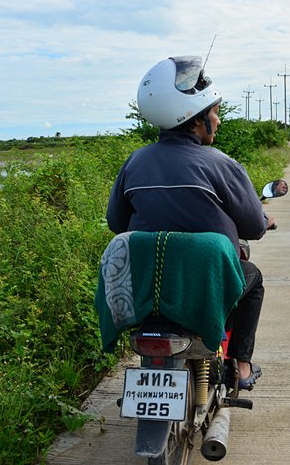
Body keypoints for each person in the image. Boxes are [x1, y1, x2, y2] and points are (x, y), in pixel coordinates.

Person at [106, 55, 275, 390]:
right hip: (204, 283)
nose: (218, 121)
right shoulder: (222, 164)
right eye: (215, 113)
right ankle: (241, 366)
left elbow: (116, 223)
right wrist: (265, 220)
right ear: (197, 121)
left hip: (146, 286)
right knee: (253, 281)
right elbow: (254, 227)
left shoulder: (134, 162)